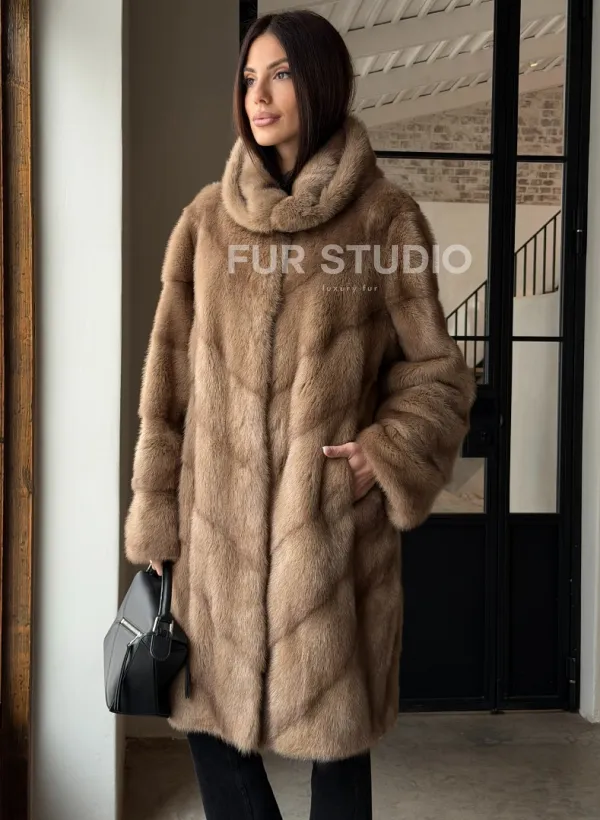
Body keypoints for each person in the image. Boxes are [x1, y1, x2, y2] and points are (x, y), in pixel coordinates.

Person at [124, 9, 477, 820]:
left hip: (328, 538)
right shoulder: (206, 223)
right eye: (249, 78)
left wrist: (384, 453)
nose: (258, 95)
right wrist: (157, 519)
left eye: (279, 74)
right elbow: (166, 390)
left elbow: (438, 375)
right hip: (215, 541)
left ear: (319, 82)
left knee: (337, 755)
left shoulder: (385, 220)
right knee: (208, 726)